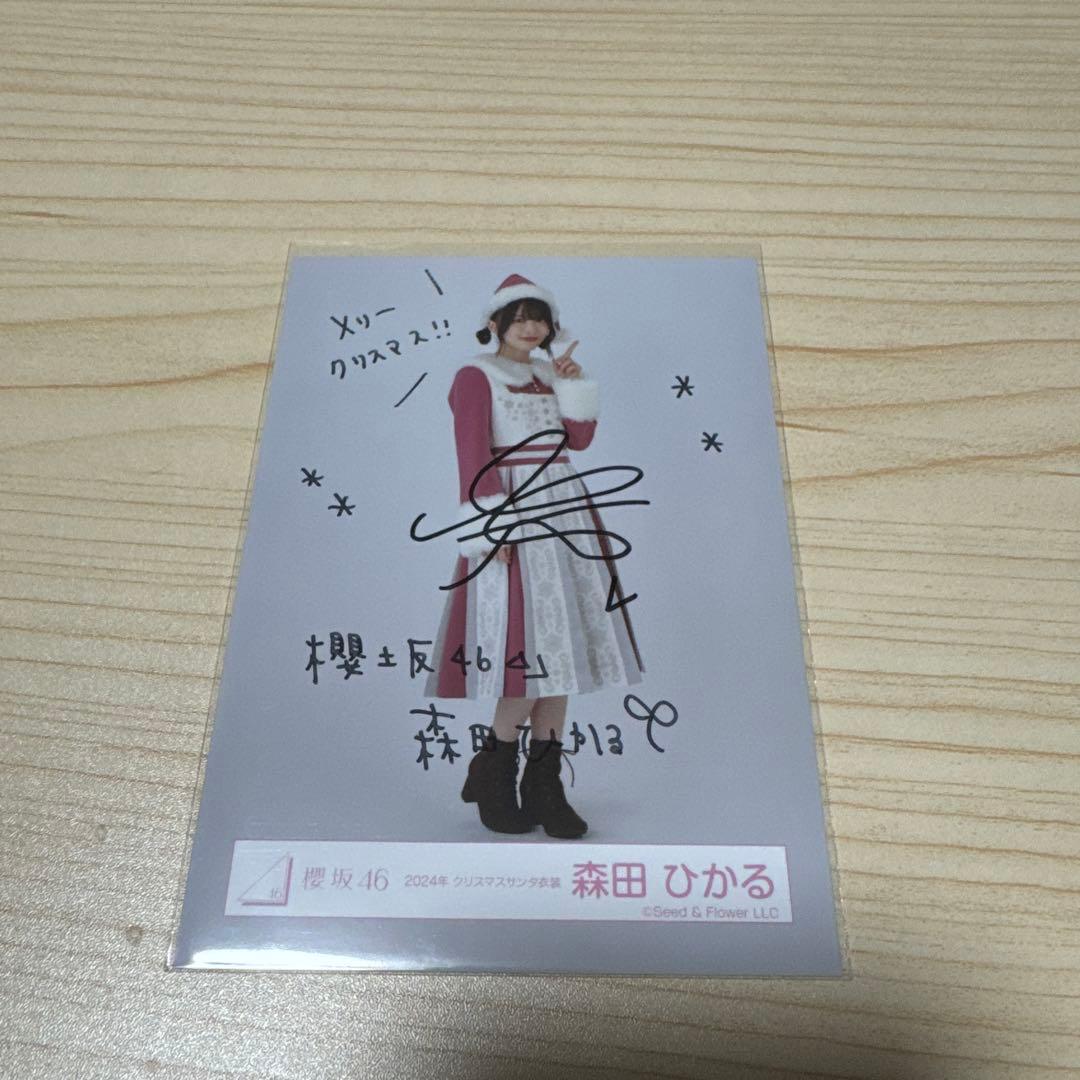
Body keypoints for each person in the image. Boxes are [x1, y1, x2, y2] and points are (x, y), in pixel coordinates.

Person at [424, 274, 644, 839]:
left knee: (561, 648)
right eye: (519, 317)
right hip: (515, 513)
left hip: (566, 509)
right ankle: (494, 769)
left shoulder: (550, 373)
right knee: (530, 650)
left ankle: (544, 786)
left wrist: (573, 385)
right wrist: (491, 526)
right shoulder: (476, 375)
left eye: (539, 318)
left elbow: (579, 441)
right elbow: (471, 453)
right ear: (495, 323)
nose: (531, 327)